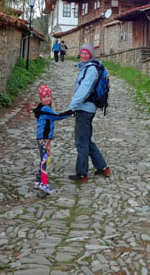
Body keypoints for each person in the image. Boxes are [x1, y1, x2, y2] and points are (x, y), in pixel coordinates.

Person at [68, 43, 110, 182]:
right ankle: (102, 167)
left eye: (87, 53)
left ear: (91, 55)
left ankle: (82, 174)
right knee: (86, 139)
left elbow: (84, 90)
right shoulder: (87, 67)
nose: (84, 55)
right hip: (87, 108)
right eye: (82, 53)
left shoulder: (90, 69)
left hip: (84, 108)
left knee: (81, 142)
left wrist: (72, 106)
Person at [33, 85, 73, 197]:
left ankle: (38, 181)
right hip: (44, 139)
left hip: (43, 138)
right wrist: (71, 112)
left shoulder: (42, 108)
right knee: (45, 160)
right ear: (41, 98)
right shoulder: (45, 109)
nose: (47, 99)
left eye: (49, 96)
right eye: (44, 97)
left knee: (43, 158)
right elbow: (58, 116)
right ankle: (44, 185)